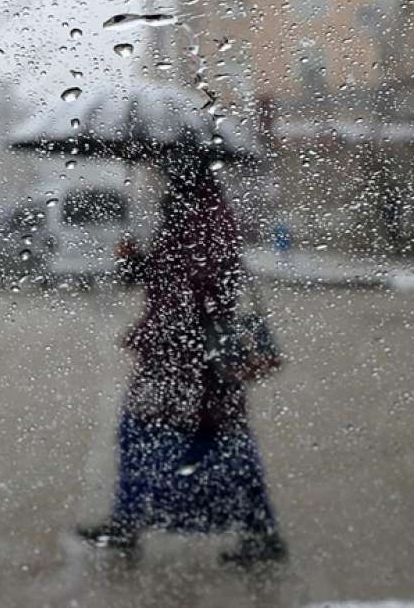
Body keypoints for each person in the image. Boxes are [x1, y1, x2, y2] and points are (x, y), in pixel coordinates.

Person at [78, 154, 286, 568]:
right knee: (176, 437)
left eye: (164, 170)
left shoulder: (205, 215)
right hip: (178, 352)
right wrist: (136, 263)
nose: (157, 178)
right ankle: (133, 521)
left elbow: (200, 284)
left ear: (183, 171)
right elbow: (174, 275)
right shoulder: (187, 211)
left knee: (193, 439)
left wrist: (156, 282)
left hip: (192, 356)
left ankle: (254, 530)